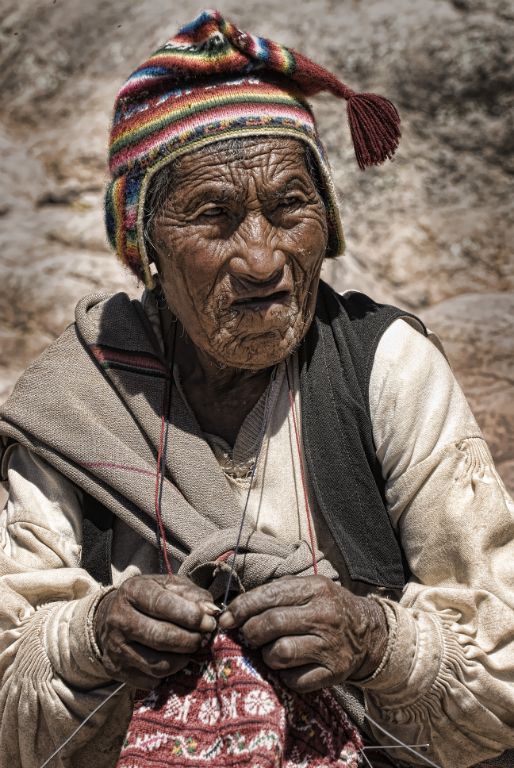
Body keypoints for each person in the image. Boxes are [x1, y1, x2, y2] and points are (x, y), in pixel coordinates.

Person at [0, 9, 513, 768]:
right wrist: (91, 636)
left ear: (328, 224)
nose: (263, 259)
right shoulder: (75, 398)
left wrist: (374, 639)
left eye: (289, 210)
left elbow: (505, 667)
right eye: (213, 217)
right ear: (145, 246)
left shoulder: (387, 369)